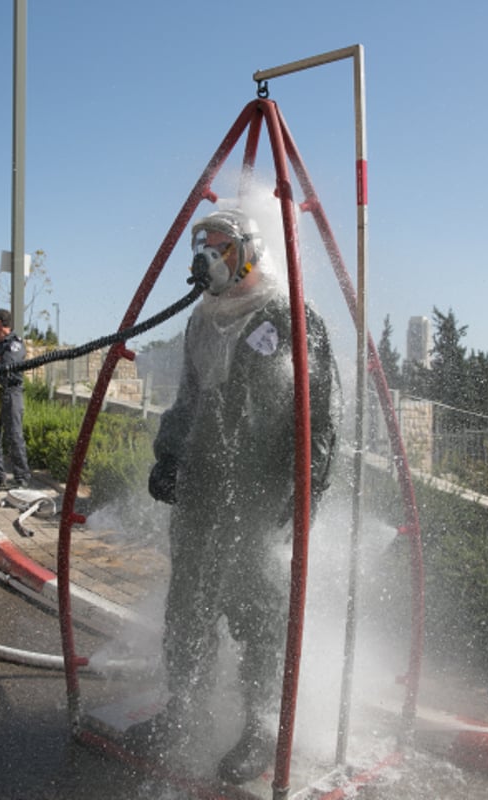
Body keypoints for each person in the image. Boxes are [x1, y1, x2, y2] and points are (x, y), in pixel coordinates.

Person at [130, 206, 340, 785]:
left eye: (222, 246)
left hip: (261, 492)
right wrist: (168, 456)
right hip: (202, 486)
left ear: (248, 250)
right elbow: (190, 399)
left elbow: (321, 411)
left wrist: (308, 489)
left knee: (260, 609)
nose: (210, 258)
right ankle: (183, 709)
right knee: (189, 603)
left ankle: (262, 728)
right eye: (205, 247)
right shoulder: (202, 319)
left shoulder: (292, 314)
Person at [0, 308, 31, 490]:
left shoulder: (15, 343)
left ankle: (21, 478)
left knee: (14, 435)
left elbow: (8, 364)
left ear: (0, 322)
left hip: (11, 393)